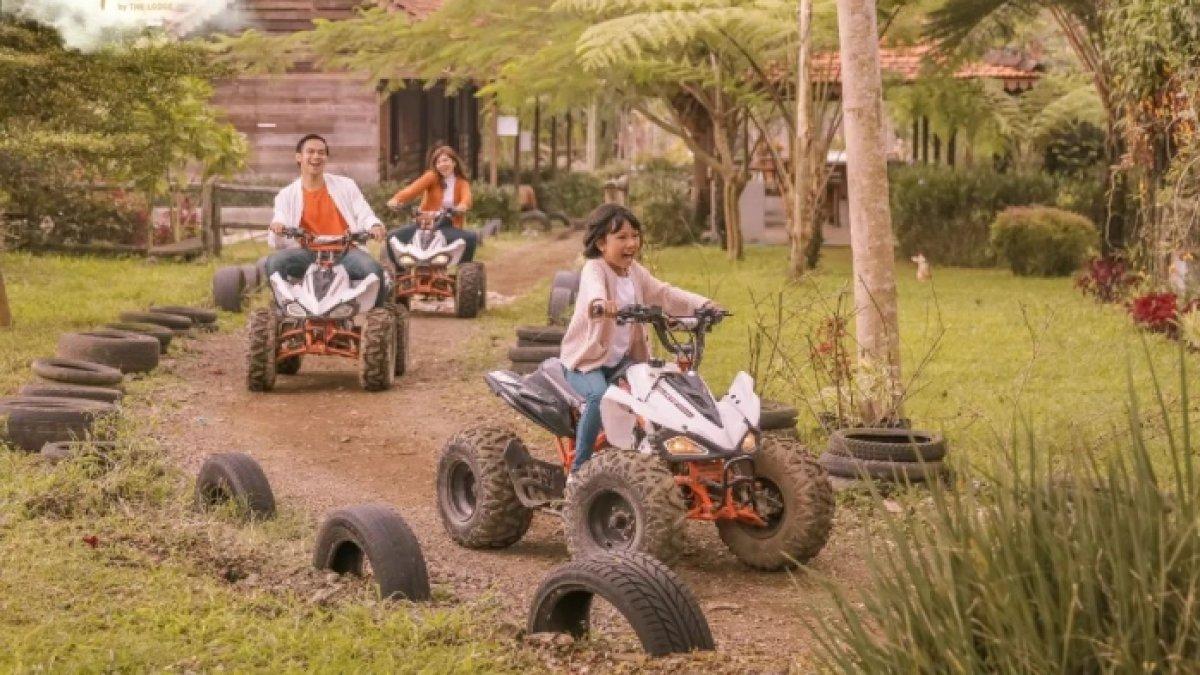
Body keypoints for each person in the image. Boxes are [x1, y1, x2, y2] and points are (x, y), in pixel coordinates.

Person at [559, 203, 718, 481]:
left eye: (635, 236)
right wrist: (601, 305)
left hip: (623, 362)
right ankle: (579, 471)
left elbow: (664, 294)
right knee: (598, 397)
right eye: (621, 237)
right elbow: (593, 294)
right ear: (600, 242)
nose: (631, 243)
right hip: (586, 363)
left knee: (662, 390)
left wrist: (704, 305)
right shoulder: (594, 269)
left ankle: (656, 458)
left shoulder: (634, 273)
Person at [266, 133, 389, 307]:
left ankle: (379, 318)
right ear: (299, 157)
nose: (316, 157)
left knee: (374, 271)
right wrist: (279, 226)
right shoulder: (286, 195)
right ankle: (286, 309)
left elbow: (364, 213)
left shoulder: (346, 186)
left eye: (321, 153)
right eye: (310, 152)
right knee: (274, 262)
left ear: (326, 157)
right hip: (308, 253)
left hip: (346, 252)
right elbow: (281, 218)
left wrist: (374, 225)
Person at [384, 145, 477, 264]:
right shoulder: (431, 177)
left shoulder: (462, 183)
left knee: (470, 238)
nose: (442, 164)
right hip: (423, 224)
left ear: (454, 162)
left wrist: (461, 207)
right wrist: (396, 200)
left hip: (447, 225)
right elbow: (412, 190)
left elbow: (466, 198)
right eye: (438, 162)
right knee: (392, 237)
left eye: (445, 160)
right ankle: (399, 273)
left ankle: (463, 270)